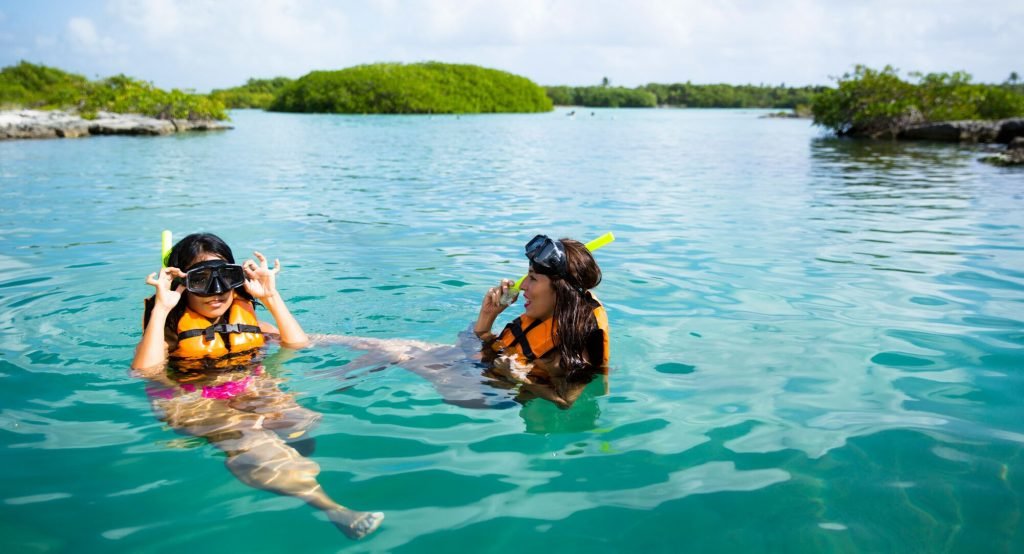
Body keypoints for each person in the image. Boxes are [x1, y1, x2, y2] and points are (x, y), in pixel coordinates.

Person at [131, 232, 383, 540]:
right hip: (190, 397)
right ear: (182, 284)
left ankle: (277, 466)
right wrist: (161, 308)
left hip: (245, 387)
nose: (217, 292)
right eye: (201, 281)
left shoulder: (244, 316)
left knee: (302, 421)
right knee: (254, 440)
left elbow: (297, 345)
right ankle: (333, 509)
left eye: (225, 277)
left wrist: (270, 297)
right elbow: (146, 371)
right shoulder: (168, 328)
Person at [319, 235, 610, 409]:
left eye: (533, 279)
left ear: (560, 290)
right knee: (385, 345)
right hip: (483, 372)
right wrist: (488, 316)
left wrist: (517, 378)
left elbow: (565, 401)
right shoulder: (545, 317)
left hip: (485, 394)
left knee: (396, 353)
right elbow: (482, 345)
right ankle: (315, 348)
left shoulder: (579, 337)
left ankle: (323, 389)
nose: (523, 287)